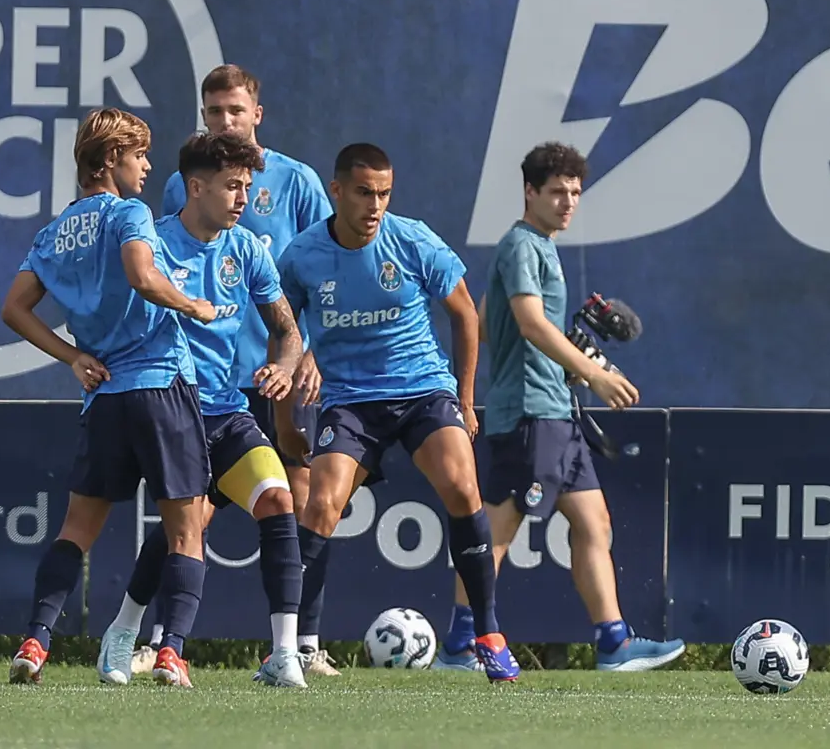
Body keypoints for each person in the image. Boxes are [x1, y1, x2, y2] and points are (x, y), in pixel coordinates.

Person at [431, 142, 686, 673]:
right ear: (530, 192)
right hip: (529, 414)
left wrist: (569, 368)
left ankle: (613, 642)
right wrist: (592, 373)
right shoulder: (521, 245)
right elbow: (527, 323)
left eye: (574, 192)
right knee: (498, 529)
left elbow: (489, 322)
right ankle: (458, 644)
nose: (568, 201)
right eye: (556, 192)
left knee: (594, 523)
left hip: (555, 411)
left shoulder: (542, 246)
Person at [276, 143, 521, 683]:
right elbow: (284, 334)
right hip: (350, 401)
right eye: (364, 192)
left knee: (462, 487)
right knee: (321, 506)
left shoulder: (412, 240)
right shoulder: (301, 256)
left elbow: (464, 313)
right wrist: (283, 419)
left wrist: (465, 396)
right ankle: (290, 649)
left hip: (422, 392)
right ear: (336, 191)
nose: (375, 205)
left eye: (384, 193)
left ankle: (489, 634)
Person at [134, 64, 340, 677]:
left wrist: (308, 356)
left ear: (258, 114)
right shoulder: (184, 187)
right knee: (190, 512)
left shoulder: (298, 183)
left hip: (281, 373)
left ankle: (302, 644)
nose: (224, 121)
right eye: (213, 112)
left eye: (234, 110)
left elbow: (329, 275)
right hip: (206, 382)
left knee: (299, 500)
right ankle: (159, 639)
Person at [0, 108, 216, 688]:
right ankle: (170, 653)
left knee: (76, 530)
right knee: (186, 529)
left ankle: (35, 641)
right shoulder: (129, 213)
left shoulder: (56, 231)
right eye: (138, 155)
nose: (146, 165)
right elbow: (144, 276)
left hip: (105, 396)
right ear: (109, 160)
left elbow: (13, 308)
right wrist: (193, 306)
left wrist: (72, 357)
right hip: (160, 384)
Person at [94, 132, 309, 688]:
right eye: (232, 187)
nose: (243, 198)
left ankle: (284, 653)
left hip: (229, 412)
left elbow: (287, 330)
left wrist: (284, 367)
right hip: (172, 409)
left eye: (247, 186)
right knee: (180, 531)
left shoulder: (248, 251)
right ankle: (135, 634)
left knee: (278, 500)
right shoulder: (153, 246)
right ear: (195, 187)